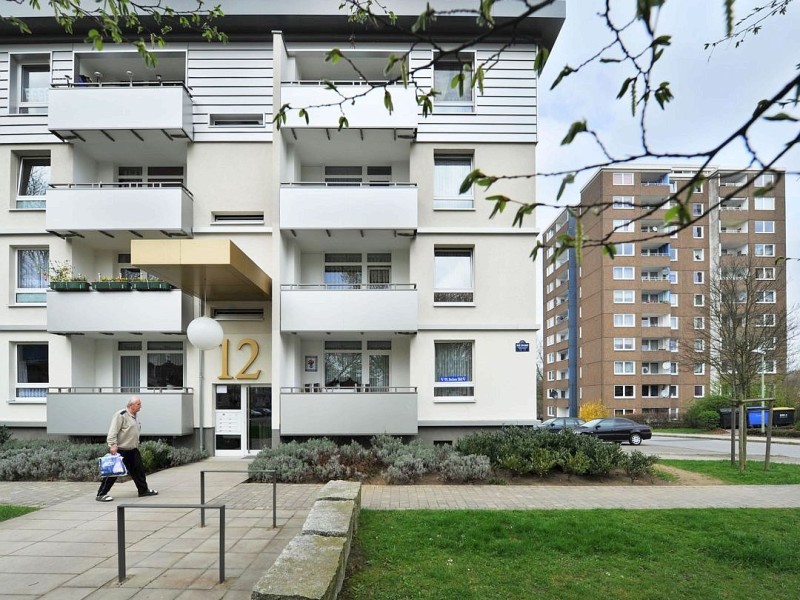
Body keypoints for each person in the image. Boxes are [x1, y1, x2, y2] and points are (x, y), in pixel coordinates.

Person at [96, 396, 158, 502]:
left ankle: (143, 490)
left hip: (132, 449)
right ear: (131, 405)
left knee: (139, 471)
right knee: (113, 472)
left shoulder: (135, 416)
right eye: (138, 404)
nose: (140, 406)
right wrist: (112, 445)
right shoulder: (121, 415)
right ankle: (101, 494)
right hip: (121, 449)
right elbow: (113, 431)